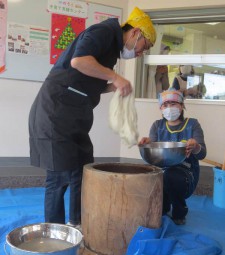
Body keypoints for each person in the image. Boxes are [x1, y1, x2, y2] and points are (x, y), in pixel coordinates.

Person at [28, 7, 156, 228]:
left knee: (82, 170)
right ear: (136, 33)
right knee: (59, 178)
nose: (141, 53)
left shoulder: (111, 50)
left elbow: (88, 79)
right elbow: (79, 61)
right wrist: (115, 77)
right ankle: (55, 233)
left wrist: (112, 87)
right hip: (56, 113)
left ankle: (77, 223)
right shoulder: (105, 31)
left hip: (75, 115)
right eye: (145, 46)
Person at [139, 88, 206, 225]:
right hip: (162, 170)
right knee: (148, 176)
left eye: (173, 104)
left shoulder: (192, 124)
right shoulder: (157, 126)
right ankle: (162, 205)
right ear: (160, 108)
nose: (169, 108)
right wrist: (147, 144)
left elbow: (202, 154)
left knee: (170, 175)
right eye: (165, 105)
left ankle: (179, 211)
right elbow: (154, 153)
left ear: (182, 106)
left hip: (185, 173)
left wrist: (195, 146)